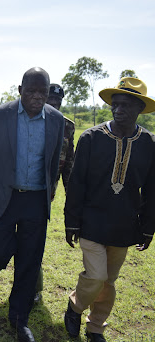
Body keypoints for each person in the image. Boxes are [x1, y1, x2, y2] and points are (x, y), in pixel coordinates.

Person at [0, 67, 64, 342]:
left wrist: (51, 191)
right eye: (31, 91)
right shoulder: (0, 115)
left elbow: (54, 160)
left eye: (42, 92)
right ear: (20, 90)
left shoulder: (56, 120)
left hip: (35, 199)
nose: (36, 97)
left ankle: (19, 319)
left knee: (29, 262)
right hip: (3, 197)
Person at [63, 77, 155, 342]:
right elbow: (76, 182)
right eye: (115, 104)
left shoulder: (149, 143)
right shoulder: (91, 138)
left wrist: (148, 228)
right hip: (91, 222)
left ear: (140, 109)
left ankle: (95, 327)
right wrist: (72, 222)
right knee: (96, 276)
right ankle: (75, 306)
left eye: (126, 105)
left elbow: (152, 190)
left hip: (125, 226)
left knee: (109, 282)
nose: (118, 109)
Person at [33, 83, 75, 304]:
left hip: (45, 194)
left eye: (57, 103)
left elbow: (69, 163)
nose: (53, 106)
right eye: (50, 102)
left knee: (36, 240)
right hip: (19, 189)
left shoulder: (67, 126)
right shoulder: (29, 121)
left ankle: (33, 287)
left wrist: (73, 197)